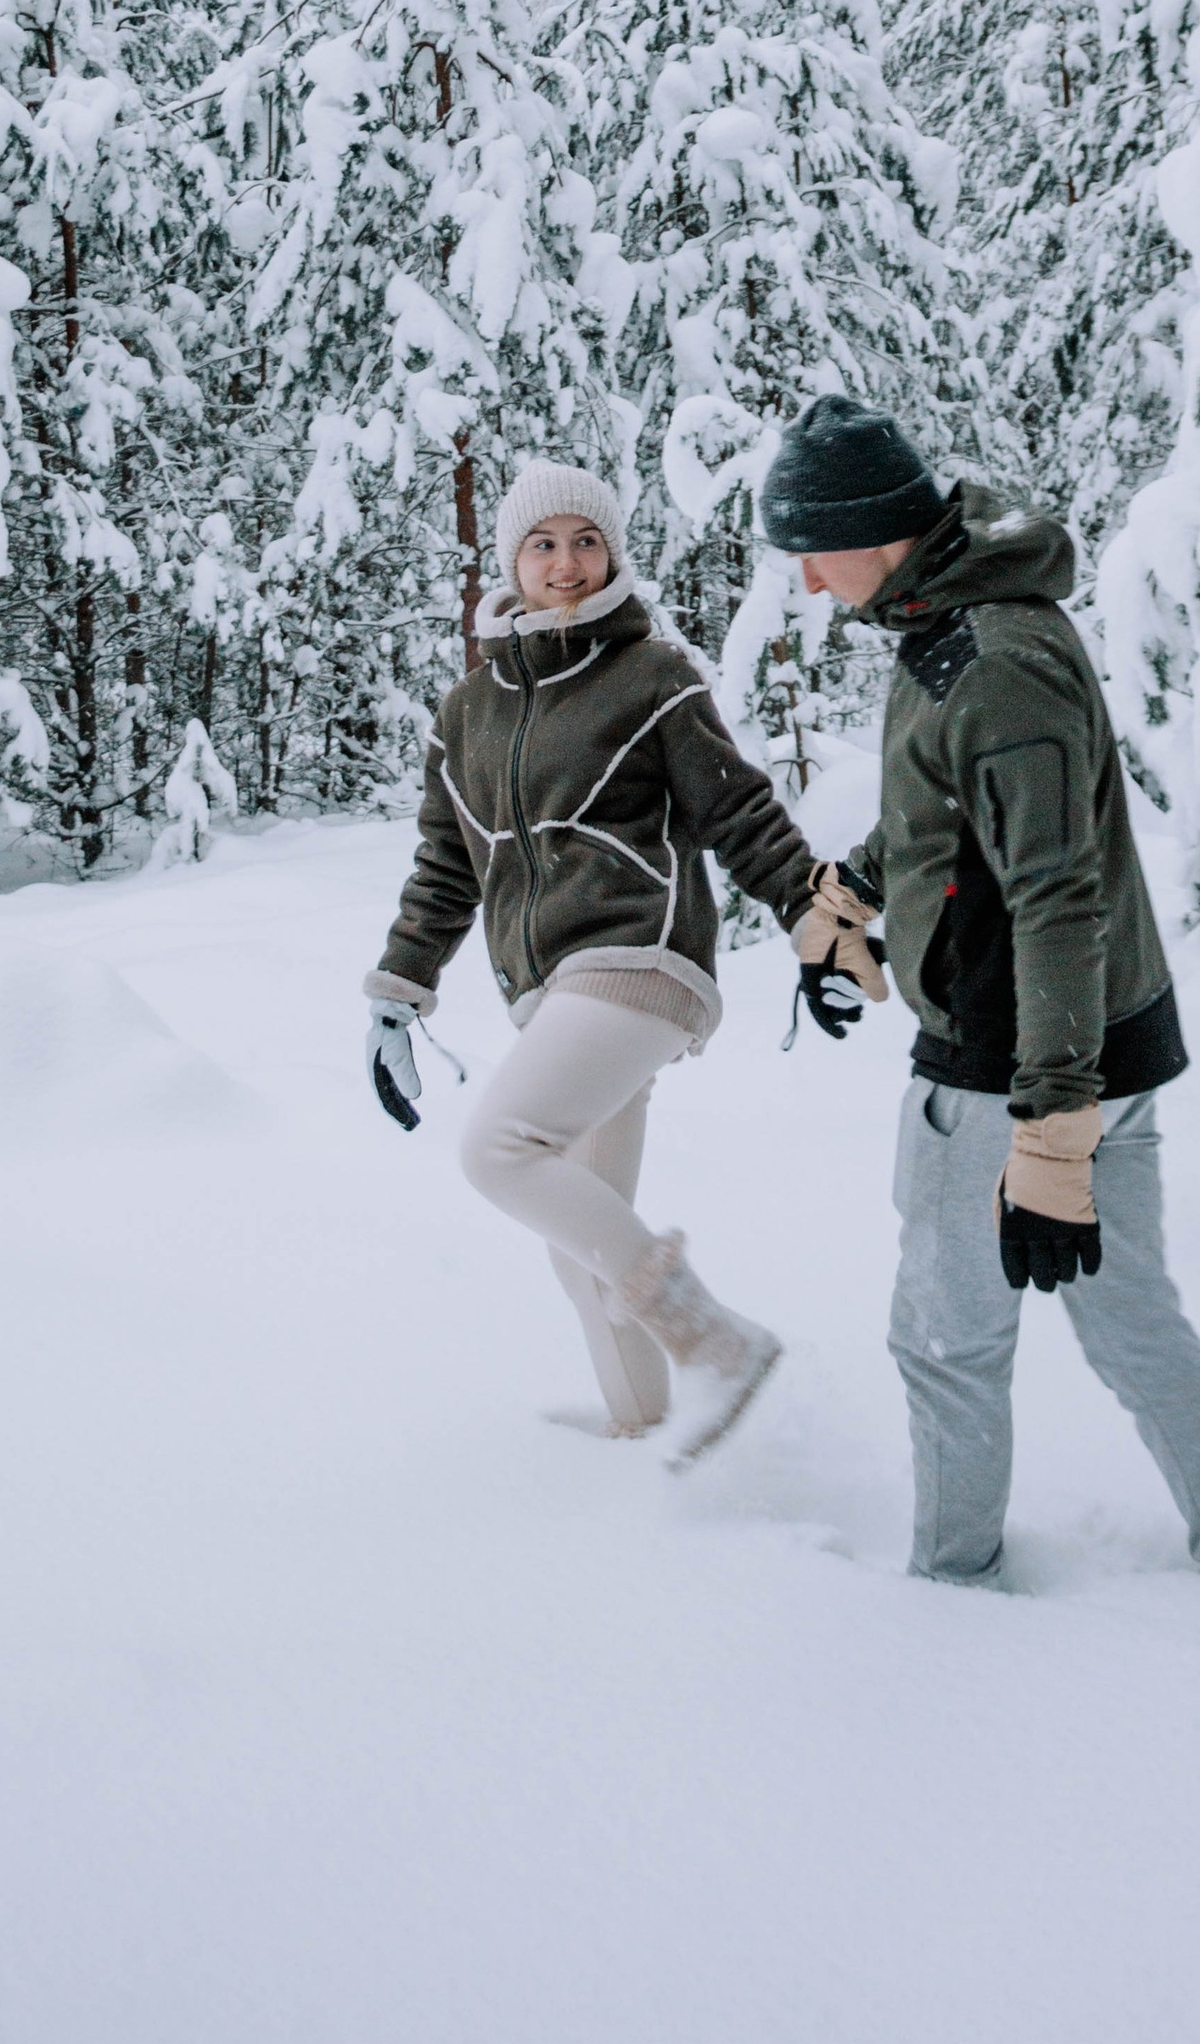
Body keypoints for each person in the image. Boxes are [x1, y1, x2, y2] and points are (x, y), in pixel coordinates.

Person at [759, 394, 1200, 1592]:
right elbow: (951, 815)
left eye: (813, 549)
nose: (805, 579)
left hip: (1017, 1067)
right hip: (1088, 1049)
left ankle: (950, 1591)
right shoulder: (956, 622)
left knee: (945, 1344)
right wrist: (851, 895)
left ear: (872, 532)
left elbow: (1056, 896)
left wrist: (1050, 1128)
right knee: (1131, 1320)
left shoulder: (991, 665)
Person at [363, 458, 854, 1469]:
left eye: (586, 542)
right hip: (551, 994)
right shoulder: (467, 711)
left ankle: (718, 1346)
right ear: (511, 561)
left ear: (613, 554)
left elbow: (738, 811)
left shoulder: (651, 676)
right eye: (544, 544)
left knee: (500, 1150)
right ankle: (649, 1439)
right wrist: (398, 995)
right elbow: (446, 865)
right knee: (582, 1245)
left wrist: (814, 915)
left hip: (641, 956)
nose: (567, 563)